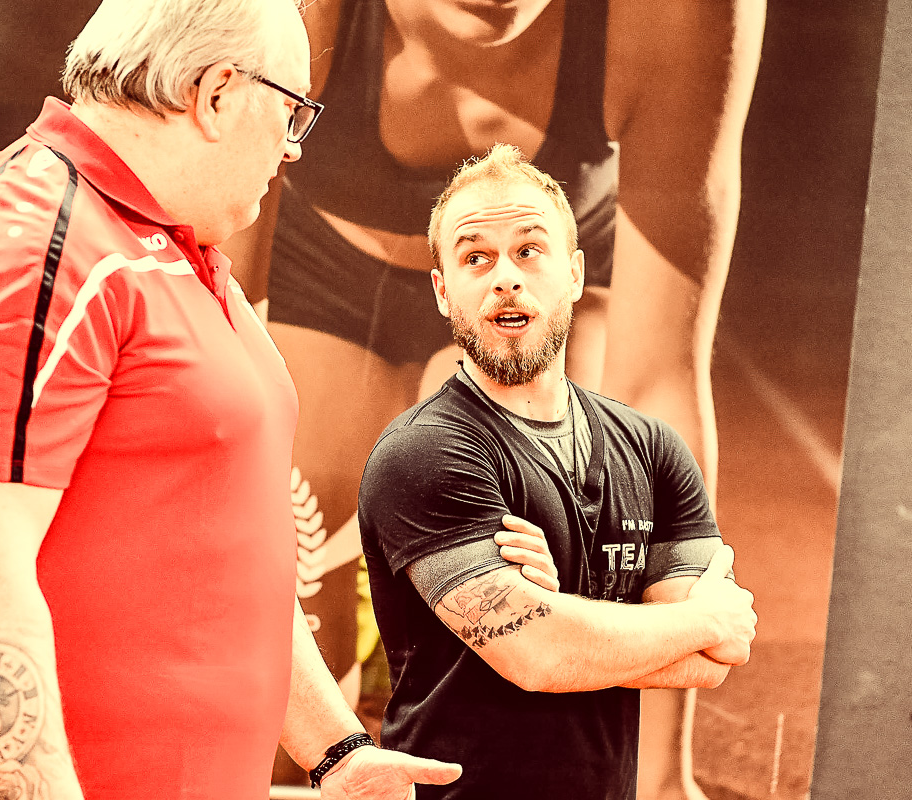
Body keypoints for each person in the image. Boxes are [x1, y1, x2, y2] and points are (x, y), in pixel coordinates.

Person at [0, 1, 463, 798]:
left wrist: (338, 752)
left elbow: (228, 549)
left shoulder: (179, 251)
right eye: (291, 113)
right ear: (216, 92)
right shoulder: (31, 243)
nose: (291, 147)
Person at [220, 1, 765, 793]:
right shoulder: (295, 14)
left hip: (537, 310)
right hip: (320, 272)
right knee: (291, 692)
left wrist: (662, 778)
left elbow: (657, 378)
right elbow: (217, 352)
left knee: (547, 589)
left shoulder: (677, 15)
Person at [355, 145, 758, 800]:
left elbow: (710, 666)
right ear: (442, 289)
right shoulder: (424, 453)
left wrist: (560, 608)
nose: (505, 278)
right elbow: (539, 655)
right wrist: (704, 619)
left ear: (573, 274)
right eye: (475, 257)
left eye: (529, 250)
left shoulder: (652, 449)